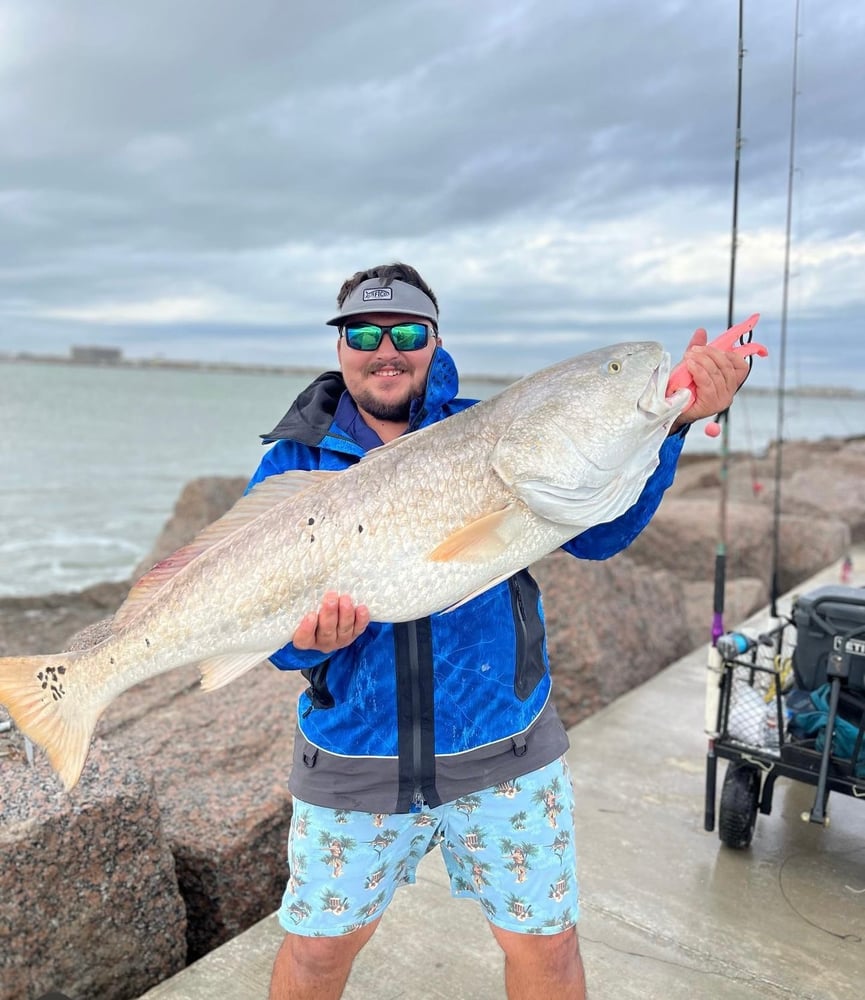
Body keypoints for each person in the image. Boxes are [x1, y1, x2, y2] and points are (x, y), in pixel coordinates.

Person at [249, 262, 748, 1000]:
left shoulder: (496, 427)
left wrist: (670, 422)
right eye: (364, 331)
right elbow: (263, 625)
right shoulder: (289, 464)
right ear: (340, 346)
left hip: (505, 752)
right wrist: (306, 643)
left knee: (546, 949)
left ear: (434, 340)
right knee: (318, 954)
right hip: (353, 757)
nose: (386, 348)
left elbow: (598, 535)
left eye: (407, 332)